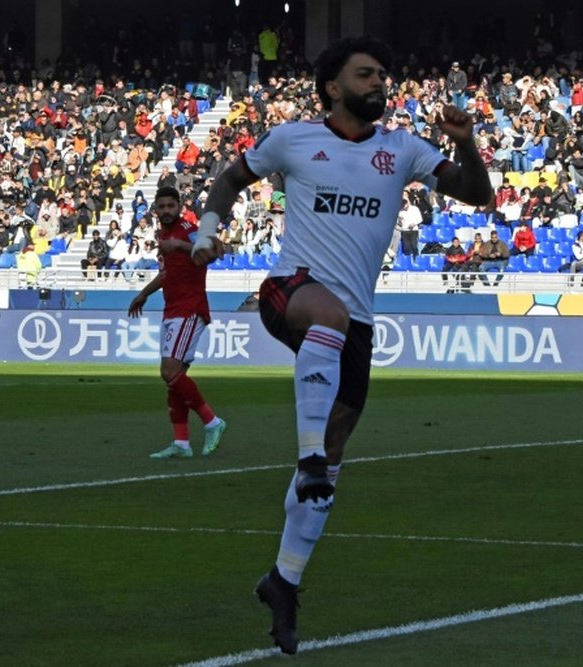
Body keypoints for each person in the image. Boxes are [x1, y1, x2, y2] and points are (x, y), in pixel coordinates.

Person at [189, 36, 492, 654]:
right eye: (366, 73)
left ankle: (284, 579)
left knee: (336, 448)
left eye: (384, 73)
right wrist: (209, 232)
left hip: (357, 320)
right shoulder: (293, 138)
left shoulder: (401, 148)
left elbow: (476, 195)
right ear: (333, 86)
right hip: (291, 289)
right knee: (322, 360)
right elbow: (228, 180)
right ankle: (305, 461)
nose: (380, 81)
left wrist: (464, 141)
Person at [127, 186, 226, 459]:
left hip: (190, 308)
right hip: (172, 310)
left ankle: (213, 422)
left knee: (169, 371)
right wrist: (143, 294)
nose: (167, 211)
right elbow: (167, 273)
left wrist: (181, 246)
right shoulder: (164, 235)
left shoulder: (188, 229)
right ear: (155, 210)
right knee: (174, 378)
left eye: (172, 206)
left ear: (179, 206)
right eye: (162, 207)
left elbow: (211, 253)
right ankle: (181, 443)